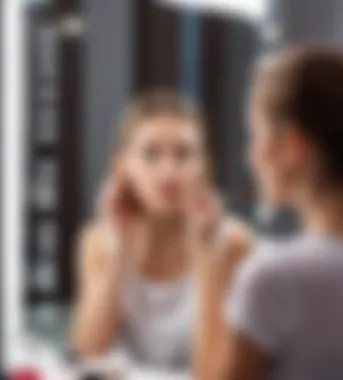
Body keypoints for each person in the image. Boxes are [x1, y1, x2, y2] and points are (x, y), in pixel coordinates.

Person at [70, 91, 252, 377]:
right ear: (123, 166)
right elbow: (89, 353)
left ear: (202, 164)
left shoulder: (234, 244)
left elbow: (217, 373)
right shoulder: (97, 241)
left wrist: (206, 255)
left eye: (184, 154)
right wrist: (118, 249)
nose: (168, 172)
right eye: (150, 154)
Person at [219, 47, 343, 380]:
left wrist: (214, 275)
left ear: (293, 147)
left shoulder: (276, 278)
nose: (253, 156)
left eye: (256, 136)